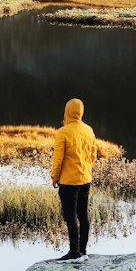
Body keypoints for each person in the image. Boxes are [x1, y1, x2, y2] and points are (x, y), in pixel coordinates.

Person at [50, 97, 98, 261]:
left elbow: (58, 159)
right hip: (85, 179)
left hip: (68, 182)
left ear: (67, 111)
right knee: (83, 214)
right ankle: (83, 251)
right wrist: (85, 169)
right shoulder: (88, 130)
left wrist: (54, 177)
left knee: (70, 215)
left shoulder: (63, 132)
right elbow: (93, 155)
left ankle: (74, 252)